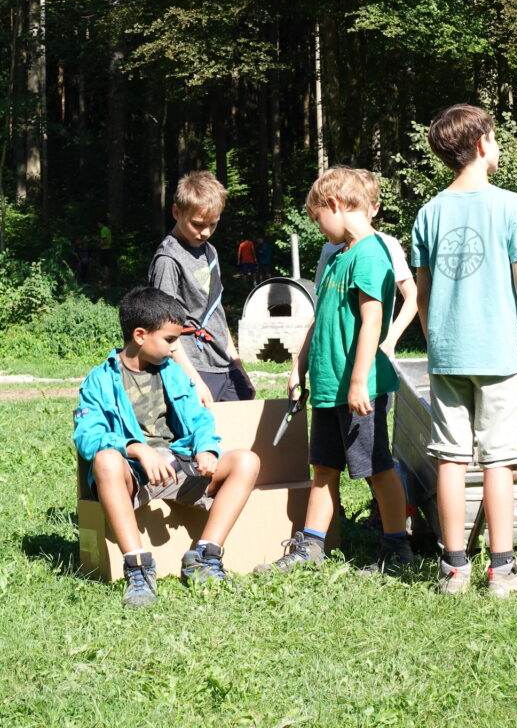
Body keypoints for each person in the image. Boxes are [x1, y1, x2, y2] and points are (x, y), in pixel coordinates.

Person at [412, 103, 517, 597]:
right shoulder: (511, 206)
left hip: (447, 356)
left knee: (450, 459)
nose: (498, 146)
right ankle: (503, 571)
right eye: (494, 138)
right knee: (498, 460)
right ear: (480, 145)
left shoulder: (429, 212)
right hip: (497, 355)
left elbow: (422, 294)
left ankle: (454, 569)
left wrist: (436, 341)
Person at [257, 166, 413, 575]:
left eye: (317, 218)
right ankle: (310, 546)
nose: (318, 227)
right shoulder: (337, 257)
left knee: (377, 469)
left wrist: (359, 379)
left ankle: (397, 549)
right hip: (329, 387)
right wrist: (299, 366)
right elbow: (319, 319)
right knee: (324, 468)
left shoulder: (370, 253)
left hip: (359, 389)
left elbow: (373, 320)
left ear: (335, 204)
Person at [73, 286, 260, 608]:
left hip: (179, 468)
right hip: (134, 476)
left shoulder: (173, 373)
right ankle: (138, 568)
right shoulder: (100, 380)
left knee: (246, 461)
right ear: (140, 335)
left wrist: (206, 449)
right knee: (105, 460)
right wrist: (136, 448)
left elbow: (199, 419)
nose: (175, 348)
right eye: (170, 340)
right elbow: (87, 436)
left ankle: (205, 556)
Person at [149, 171, 255, 404]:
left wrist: (238, 367)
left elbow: (216, 311)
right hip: (193, 365)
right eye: (197, 224)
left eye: (213, 224)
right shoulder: (168, 259)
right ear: (176, 212)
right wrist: (193, 380)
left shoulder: (210, 251)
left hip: (224, 364)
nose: (205, 232)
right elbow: (163, 327)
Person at [314, 169, 417, 358]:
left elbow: (412, 295)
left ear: (375, 208)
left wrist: (391, 339)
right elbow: (322, 302)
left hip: (374, 355)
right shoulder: (331, 249)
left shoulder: (387, 245)